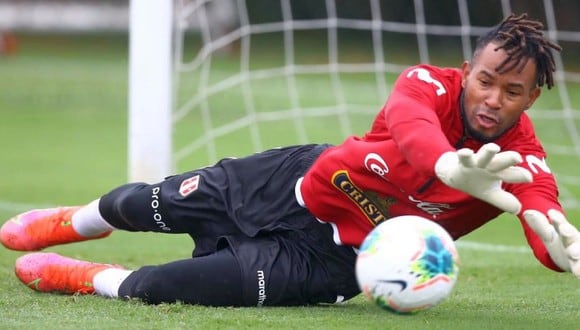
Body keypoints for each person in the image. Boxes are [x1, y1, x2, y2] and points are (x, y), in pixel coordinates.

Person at [2, 13, 579, 307]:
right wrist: (449, 168)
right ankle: (76, 222)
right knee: (133, 202)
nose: (492, 99)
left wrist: (557, 247)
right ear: (468, 70)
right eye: (485, 81)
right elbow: (412, 126)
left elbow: (541, 210)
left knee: (162, 287)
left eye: (511, 92)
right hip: (289, 182)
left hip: (330, 262)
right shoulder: (426, 82)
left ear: (533, 97)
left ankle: (83, 278)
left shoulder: (520, 158)